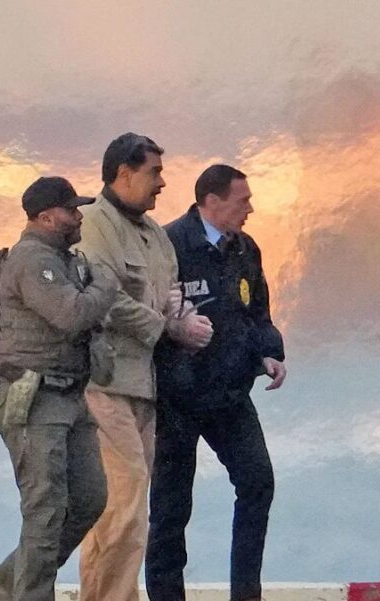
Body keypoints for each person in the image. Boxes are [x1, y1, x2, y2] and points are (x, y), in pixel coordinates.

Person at [75, 133, 213, 601]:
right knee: (124, 504)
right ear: (124, 173)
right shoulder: (93, 225)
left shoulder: (156, 236)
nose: (162, 183)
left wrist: (188, 320)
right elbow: (106, 299)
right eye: (154, 172)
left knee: (126, 510)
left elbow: (172, 296)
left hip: (144, 388)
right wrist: (169, 328)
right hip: (104, 384)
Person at [146, 165, 287, 601]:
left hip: (229, 394)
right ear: (211, 201)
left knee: (258, 482)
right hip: (178, 397)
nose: (250, 209)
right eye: (242, 201)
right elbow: (144, 314)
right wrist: (175, 328)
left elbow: (257, 311)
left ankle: (246, 594)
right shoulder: (169, 245)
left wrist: (270, 352)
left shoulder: (246, 248)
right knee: (171, 507)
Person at [0, 176, 118, 601]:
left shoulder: (63, 260)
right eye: (70, 210)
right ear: (44, 217)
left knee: (89, 499)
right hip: (34, 399)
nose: (78, 217)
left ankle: (8, 584)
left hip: (69, 395)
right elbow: (71, 314)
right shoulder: (31, 261)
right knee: (45, 511)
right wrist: (106, 283)